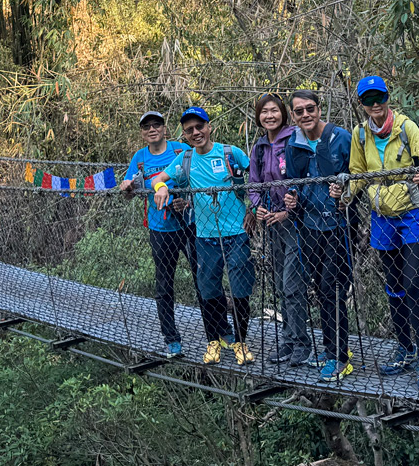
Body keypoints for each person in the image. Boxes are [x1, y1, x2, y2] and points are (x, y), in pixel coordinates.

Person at [334, 75, 419, 390]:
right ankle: (404, 348)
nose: (375, 104)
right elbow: (357, 173)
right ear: (361, 104)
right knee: (393, 286)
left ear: (387, 97)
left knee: (413, 284)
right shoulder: (359, 135)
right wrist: (344, 195)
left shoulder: (406, 128)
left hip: (413, 213)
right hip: (382, 217)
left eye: (379, 97)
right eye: (368, 100)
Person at [151, 106, 257, 365]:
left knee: (240, 290)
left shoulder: (232, 153)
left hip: (237, 233)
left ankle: (241, 342)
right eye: (190, 130)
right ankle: (214, 342)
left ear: (209, 127)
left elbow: (257, 180)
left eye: (200, 127)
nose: (196, 133)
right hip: (204, 235)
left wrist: (253, 210)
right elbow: (158, 177)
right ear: (185, 135)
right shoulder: (185, 160)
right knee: (208, 290)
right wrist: (163, 187)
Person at [283, 89, 356, 382]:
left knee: (331, 289)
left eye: (309, 108)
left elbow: (359, 176)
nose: (305, 115)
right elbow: (293, 181)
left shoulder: (341, 138)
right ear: (294, 115)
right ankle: (335, 351)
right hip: (309, 225)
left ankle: (338, 356)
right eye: (298, 111)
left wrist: (345, 192)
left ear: (319, 108)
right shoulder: (294, 143)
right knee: (321, 289)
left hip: (339, 225)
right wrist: (291, 197)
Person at [120, 110, 201, 359]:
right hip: (160, 230)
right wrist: (126, 188)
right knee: (164, 285)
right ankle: (172, 339)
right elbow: (129, 191)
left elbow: (199, 181)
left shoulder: (180, 151)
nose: (152, 129)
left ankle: (219, 332)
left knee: (204, 281)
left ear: (165, 128)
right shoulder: (140, 158)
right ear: (143, 133)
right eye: (147, 127)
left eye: (157, 125)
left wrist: (185, 200)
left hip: (189, 225)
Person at [248, 92, 309, 367]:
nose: (269, 116)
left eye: (274, 111)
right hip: (271, 223)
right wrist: (258, 206)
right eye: (264, 112)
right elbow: (254, 181)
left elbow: (307, 176)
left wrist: (289, 210)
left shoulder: (295, 138)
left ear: (283, 113)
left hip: (296, 222)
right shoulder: (260, 147)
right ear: (259, 117)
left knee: (292, 284)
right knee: (279, 284)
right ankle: (287, 340)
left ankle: (300, 343)